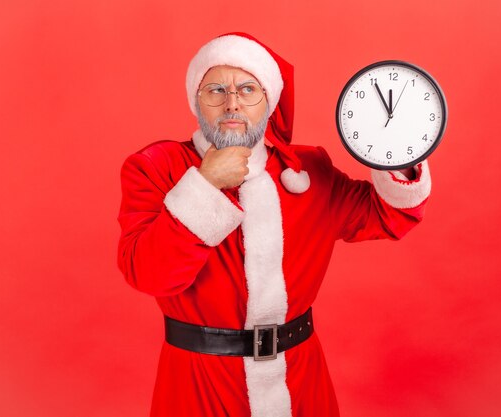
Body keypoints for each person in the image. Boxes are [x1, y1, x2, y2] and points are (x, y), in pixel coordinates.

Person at [116, 32, 431, 417]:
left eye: (248, 89)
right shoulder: (156, 167)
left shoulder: (308, 171)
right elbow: (149, 274)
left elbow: (391, 214)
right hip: (199, 382)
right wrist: (205, 184)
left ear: (268, 101)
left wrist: (396, 147)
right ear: (196, 101)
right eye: (216, 89)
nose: (232, 103)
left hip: (300, 377)